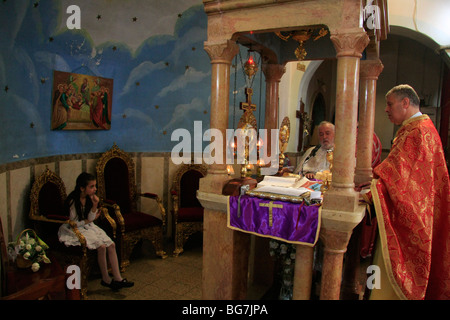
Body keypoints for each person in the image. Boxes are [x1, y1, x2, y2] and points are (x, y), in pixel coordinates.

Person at [363, 84, 449, 300]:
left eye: (390, 104)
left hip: (406, 221)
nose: (386, 109)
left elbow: (399, 178)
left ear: (405, 103)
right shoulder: (424, 128)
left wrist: (371, 189)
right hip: (423, 213)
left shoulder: (416, 132)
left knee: (387, 272)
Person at [58, 172, 134, 290]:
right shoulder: (73, 201)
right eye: (92, 186)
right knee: (102, 247)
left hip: (88, 226)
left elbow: (91, 218)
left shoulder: (90, 198)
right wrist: (87, 222)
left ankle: (118, 278)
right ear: (82, 188)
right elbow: (73, 224)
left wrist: (94, 205)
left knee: (111, 245)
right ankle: (106, 279)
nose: (95, 189)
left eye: (95, 186)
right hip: (74, 229)